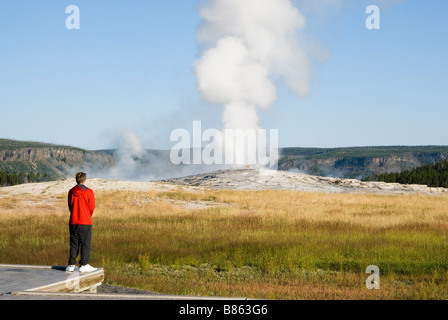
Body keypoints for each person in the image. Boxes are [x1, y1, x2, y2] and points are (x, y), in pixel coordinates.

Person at [66, 172, 97, 273]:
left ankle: (71, 264)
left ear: (76, 180)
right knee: (85, 244)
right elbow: (91, 207)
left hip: (73, 221)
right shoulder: (89, 192)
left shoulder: (71, 192)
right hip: (85, 221)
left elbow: (70, 206)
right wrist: (87, 215)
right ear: (84, 180)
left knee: (74, 244)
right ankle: (83, 264)